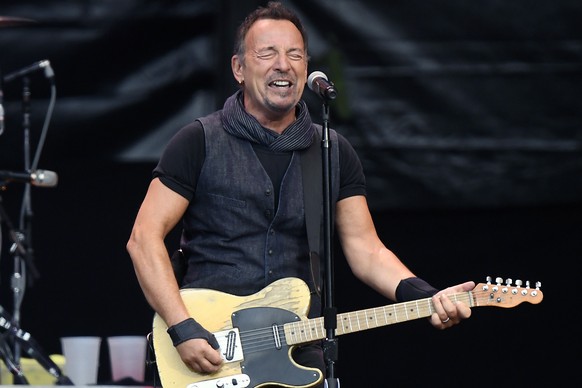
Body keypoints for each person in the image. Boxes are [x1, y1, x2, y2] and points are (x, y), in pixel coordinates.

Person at [127, 1, 474, 386]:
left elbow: (366, 249)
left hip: (295, 350)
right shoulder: (198, 141)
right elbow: (144, 239)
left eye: (295, 55)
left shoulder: (330, 149)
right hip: (209, 345)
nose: (283, 64)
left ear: (307, 69)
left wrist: (425, 295)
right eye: (267, 53)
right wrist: (182, 327)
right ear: (238, 68)